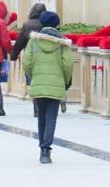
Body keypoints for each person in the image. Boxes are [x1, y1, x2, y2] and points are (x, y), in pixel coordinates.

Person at [22, 11, 73, 163]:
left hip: (38, 83)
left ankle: (41, 148)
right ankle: (46, 149)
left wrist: (34, 76)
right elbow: (68, 64)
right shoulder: (62, 43)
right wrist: (64, 80)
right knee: (52, 117)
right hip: (55, 84)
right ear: (57, 24)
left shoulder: (33, 41)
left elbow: (27, 62)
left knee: (41, 117)